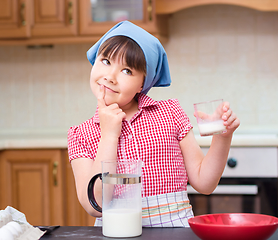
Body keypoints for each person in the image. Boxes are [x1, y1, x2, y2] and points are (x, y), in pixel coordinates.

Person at [67, 21, 240, 227]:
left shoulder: (170, 113)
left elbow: (204, 183)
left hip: (175, 232)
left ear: (143, 82)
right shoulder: (81, 134)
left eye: (127, 71)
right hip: (117, 233)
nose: (110, 76)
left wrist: (222, 137)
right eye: (105, 61)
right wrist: (109, 135)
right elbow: (94, 205)